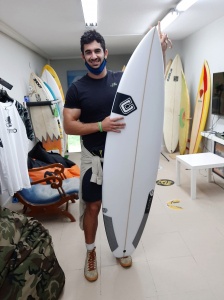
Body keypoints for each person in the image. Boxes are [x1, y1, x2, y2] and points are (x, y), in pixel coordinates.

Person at [63, 24, 171, 282]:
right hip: (94, 159)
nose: (93, 56)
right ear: (83, 56)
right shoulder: (77, 89)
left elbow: (148, 89)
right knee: (93, 207)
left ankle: (121, 244)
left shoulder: (122, 80)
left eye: (97, 50)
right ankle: (91, 253)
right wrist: (101, 125)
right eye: (88, 52)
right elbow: (68, 125)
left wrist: (159, 54)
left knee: (124, 200)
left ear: (105, 52)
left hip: (122, 158)